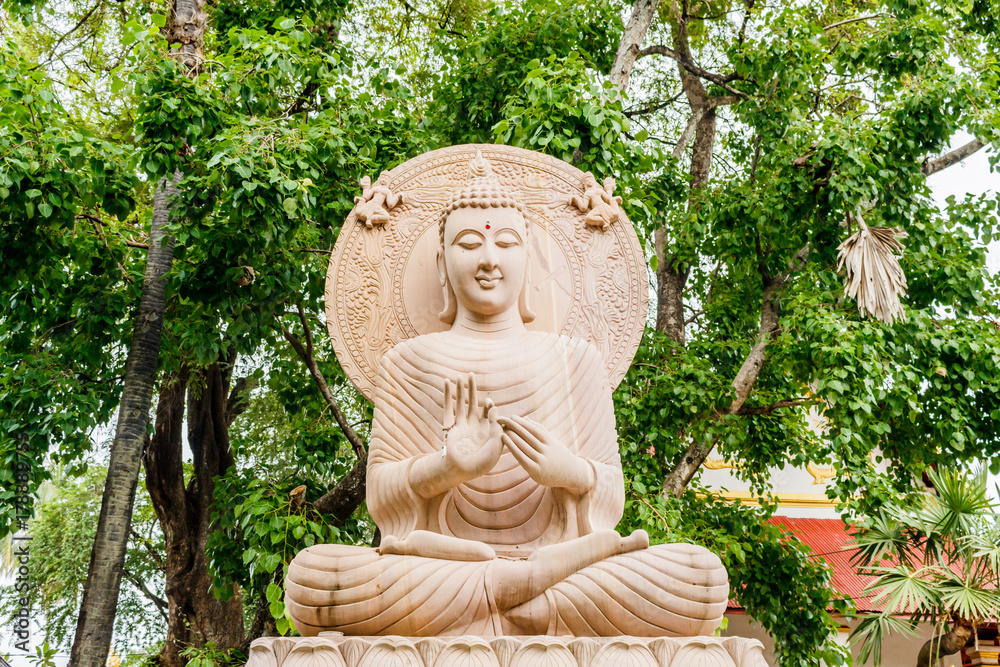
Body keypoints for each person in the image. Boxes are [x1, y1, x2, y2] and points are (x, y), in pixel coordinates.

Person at [286, 152, 729, 637]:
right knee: (313, 579)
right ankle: (518, 592)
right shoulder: (408, 362)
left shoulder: (575, 359)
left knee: (700, 577)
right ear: (441, 262)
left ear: (530, 261)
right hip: (446, 566)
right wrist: (446, 468)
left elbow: (611, 498)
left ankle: (507, 593)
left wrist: (571, 471)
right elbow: (381, 499)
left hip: (552, 563)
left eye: (507, 243)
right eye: (469, 243)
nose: (489, 259)